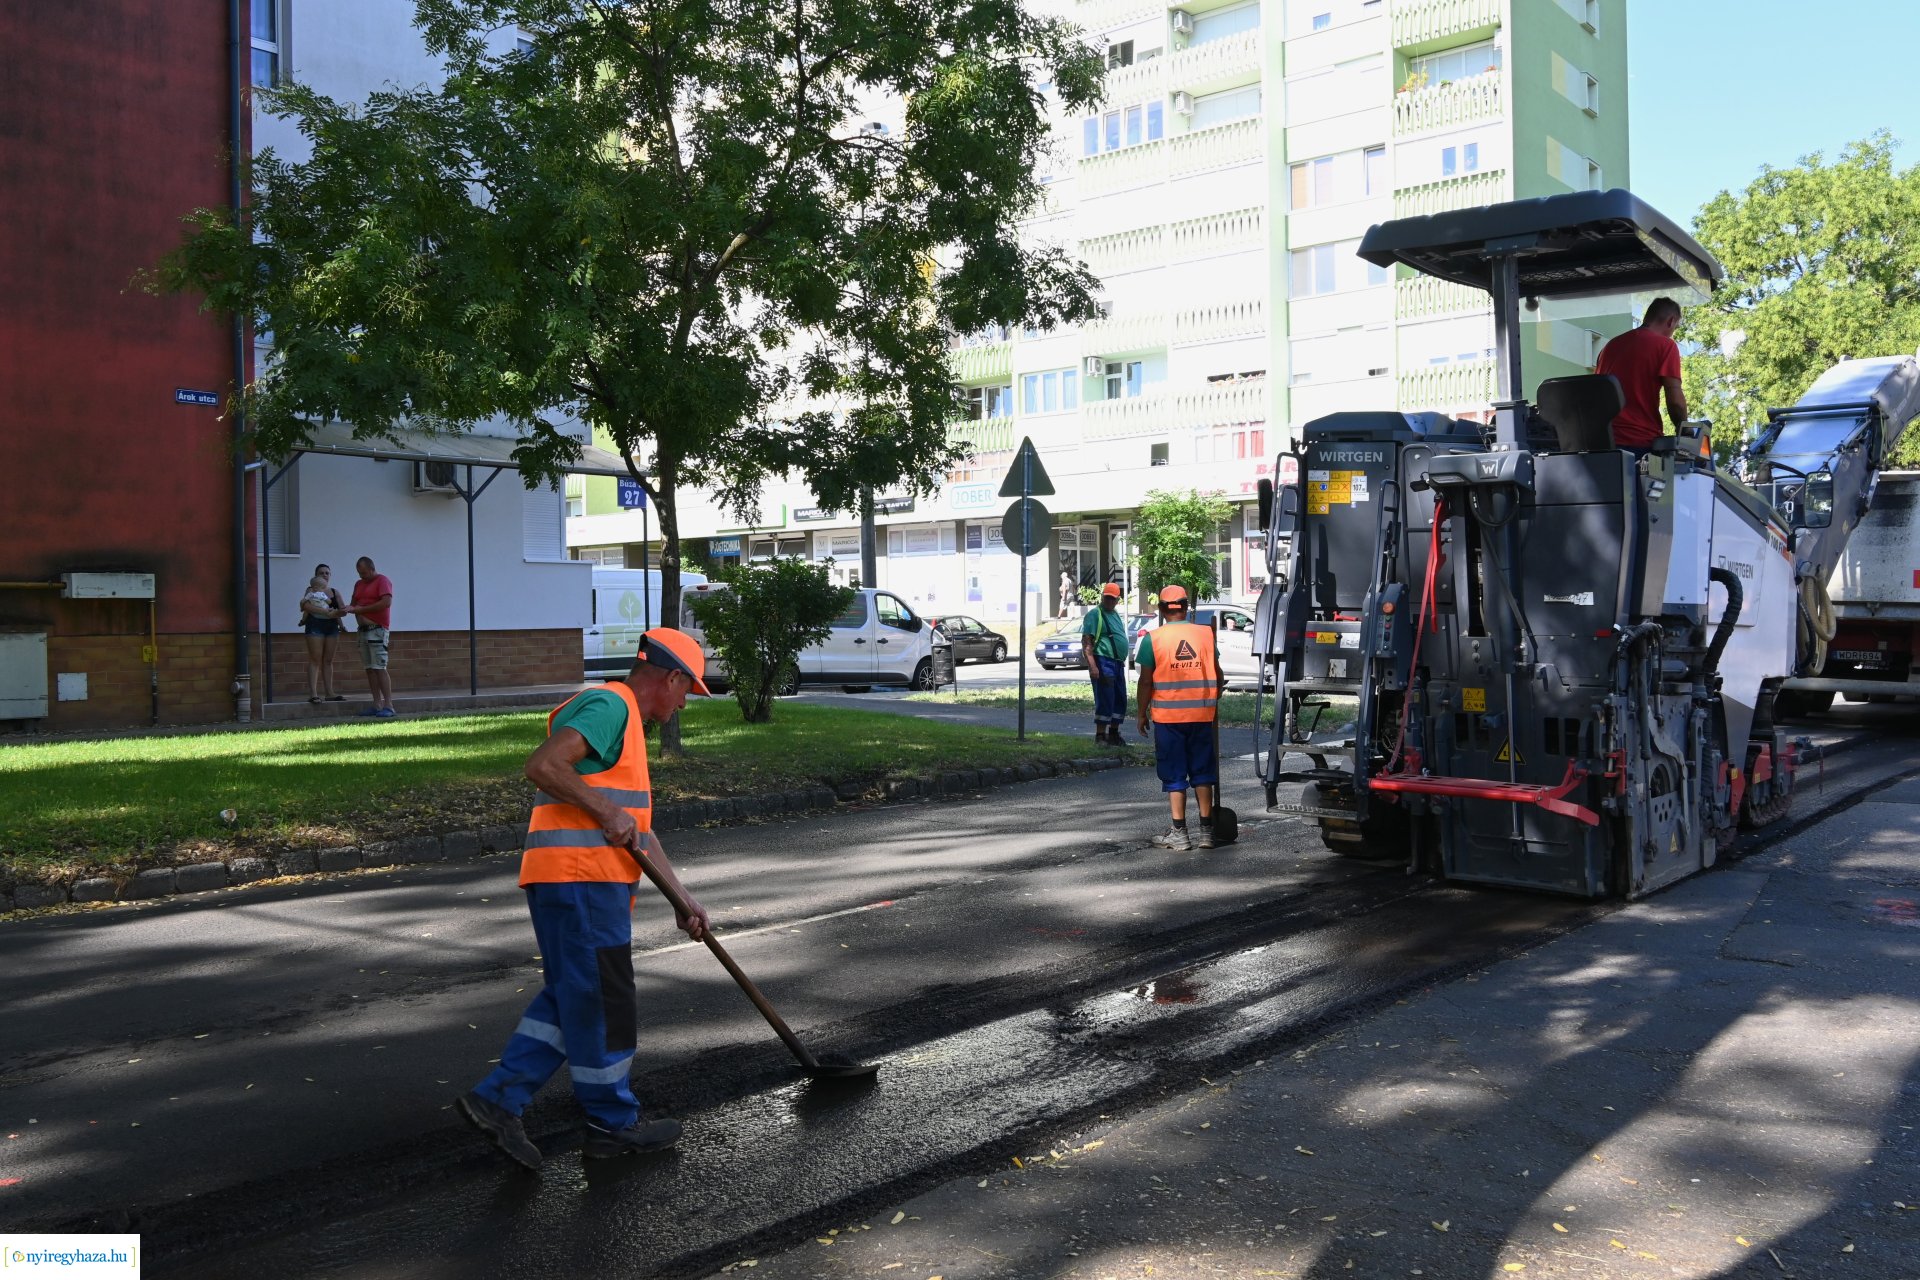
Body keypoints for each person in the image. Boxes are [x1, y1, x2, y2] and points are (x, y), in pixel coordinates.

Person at [459, 627, 715, 1169]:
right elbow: (543, 765)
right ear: (669, 677)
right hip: (578, 882)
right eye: (686, 691)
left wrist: (681, 899)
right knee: (604, 1002)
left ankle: (498, 1099)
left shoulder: (626, 729)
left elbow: (638, 832)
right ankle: (612, 1125)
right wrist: (604, 811)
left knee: (574, 996)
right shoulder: (610, 705)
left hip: (581, 885)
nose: (682, 704)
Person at [1135, 585, 1225, 851]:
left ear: (1162, 610)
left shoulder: (1153, 639)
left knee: (1174, 774)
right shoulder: (1205, 635)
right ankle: (1207, 833)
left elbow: (1145, 681)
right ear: (1186, 607)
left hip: (1168, 718)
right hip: (1201, 715)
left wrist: (1141, 712)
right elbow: (1217, 674)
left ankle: (1180, 834)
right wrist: (1213, 694)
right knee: (1202, 772)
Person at [1594, 296, 1688, 453]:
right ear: (1671, 321)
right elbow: (1676, 402)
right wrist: (1685, 429)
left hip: (1604, 442)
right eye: (1675, 327)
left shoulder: (1610, 346)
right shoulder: (1665, 345)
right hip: (1640, 441)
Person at [339, 556, 395, 717]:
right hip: (362, 630)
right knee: (369, 669)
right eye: (359, 573)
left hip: (377, 629)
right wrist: (341, 610)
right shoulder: (359, 584)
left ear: (371, 568)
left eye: (363, 573)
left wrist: (360, 610)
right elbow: (353, 604)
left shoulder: (382, 580)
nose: (361, 576)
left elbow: (386, 603)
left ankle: (388, 705)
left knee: (379, 667)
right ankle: (376, 704)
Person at [1082, 582, 1131, 747]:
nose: (1109, 601)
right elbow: (1087, 642)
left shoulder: (1115, 614)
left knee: (1119, 698)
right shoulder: (1095, 614)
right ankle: (1100, 736)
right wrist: (1093, 666)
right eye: (1107, 597)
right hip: (1103, 661)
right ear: (1102, 596)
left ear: (1118, 600)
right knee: (1105, 698)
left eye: (1112, 599)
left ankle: (1114, 734)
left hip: (1117, 663)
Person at [297, 566, 347, 704]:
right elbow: (305, 606)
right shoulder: (311, 590)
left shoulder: (334, 592)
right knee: (315, 659)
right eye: (321, 573)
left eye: (327, 573)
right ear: (316, 576)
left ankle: (329, 693)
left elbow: (343, 610)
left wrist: (338, 615)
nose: (325, 575)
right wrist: (325, 612)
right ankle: (313, 694)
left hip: (331, 627)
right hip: (315, 625)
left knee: (328, 660)